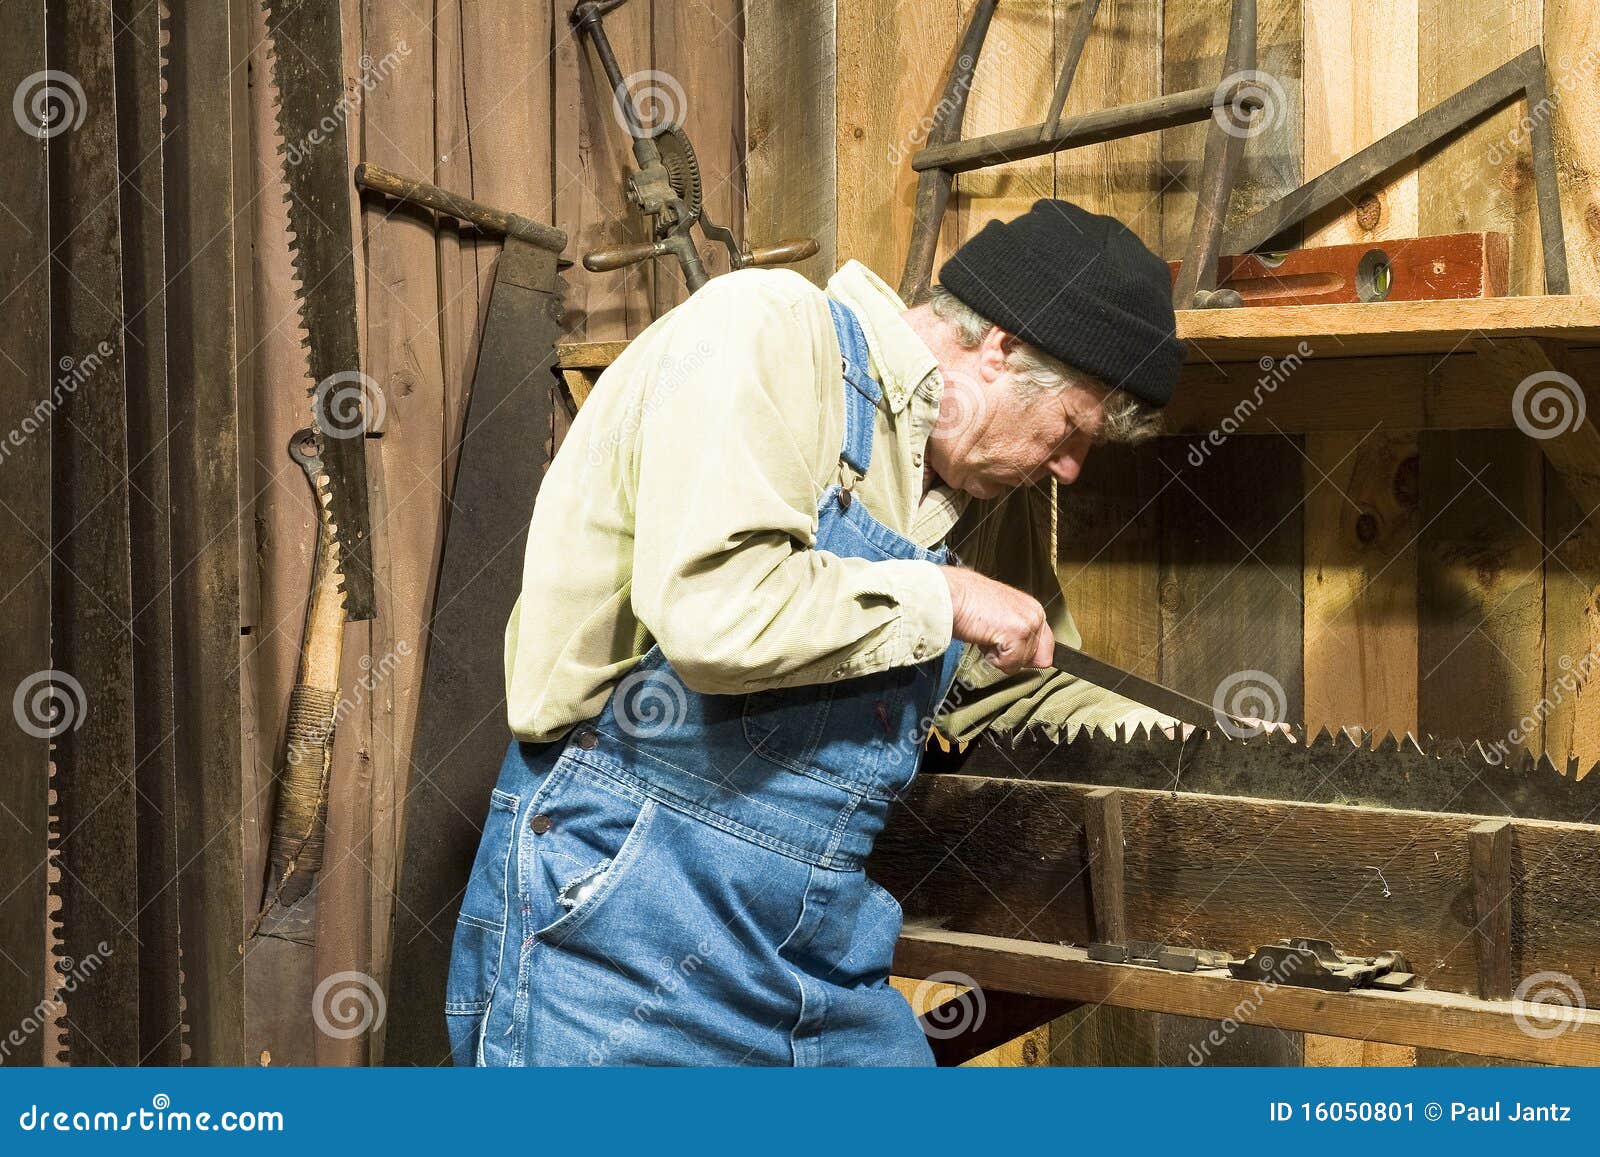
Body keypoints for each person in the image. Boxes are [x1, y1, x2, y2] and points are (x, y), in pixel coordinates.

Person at [447, 199, 1186, 1066]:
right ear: (1003, 348)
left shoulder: (969, 492)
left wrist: (1199, 748)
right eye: (1072, 431)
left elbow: (1017, 682)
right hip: (621, 917)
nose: (1068, 467)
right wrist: (940, 597)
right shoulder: (764, 331)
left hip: (814, 940)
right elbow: (714, 611)